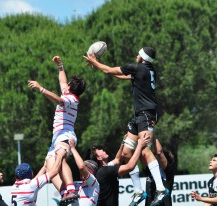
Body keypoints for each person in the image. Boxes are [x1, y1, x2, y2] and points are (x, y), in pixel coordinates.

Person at [84, 47, 169, 206]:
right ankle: (138, 191)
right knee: (127, 152)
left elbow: (110, 70)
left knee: (144, 150)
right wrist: (100, 66)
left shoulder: (137, 67)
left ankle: (160, 189)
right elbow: (115, 74)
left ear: (142, 57)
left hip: (146, 114)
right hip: (139, 115)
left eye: (138, 53)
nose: (136, 55)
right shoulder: (149, 70)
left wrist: (95, 61)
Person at [28, 55, 86, 204]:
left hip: (65, 135)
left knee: (61, 158)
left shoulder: (71, 100)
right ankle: (64, 193)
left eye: (68, 84)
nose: (65, 84)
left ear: (70, 88)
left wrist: (41, 88)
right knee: (49, 167)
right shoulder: (68, 93)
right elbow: (62, 80)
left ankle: (72, 190)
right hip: (57, 137)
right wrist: (60, 65)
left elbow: (59, 101)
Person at [86, 134, 151, 206]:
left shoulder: (104, 169)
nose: (102, 149)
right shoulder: (105, 171)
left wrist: (123, 143)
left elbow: (117, 159)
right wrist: (139, 145)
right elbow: (130, 166)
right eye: (98, 150)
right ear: (99, 158)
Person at [144, 139, 175, 206]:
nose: (153, 157)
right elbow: (144, 155)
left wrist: (151, 133)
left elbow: (159, 152)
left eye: (155, 156)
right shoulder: (151, 170)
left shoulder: (168, 171)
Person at [69, 139, 100, 206]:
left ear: (91, 171)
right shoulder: (77, 186)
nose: (81, 172)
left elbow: (81, 167)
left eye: (86, 169)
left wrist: (72, 148)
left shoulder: (94, 184)